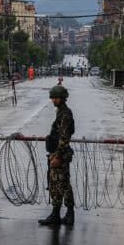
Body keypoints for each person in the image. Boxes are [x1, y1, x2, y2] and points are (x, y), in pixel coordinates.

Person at [39, 85, 75, 226]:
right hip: (57, 153)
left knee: (61, 185)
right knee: (59, 185)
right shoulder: (61, 112)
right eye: (53, 98)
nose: (53, 100)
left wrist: (58, 156)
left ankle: (64, 214)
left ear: (62, 98)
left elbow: (64, 138)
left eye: (56, 98)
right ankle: (59, 214)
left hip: (60, 155)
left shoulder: (65, 114)